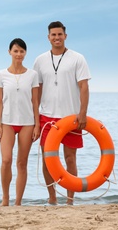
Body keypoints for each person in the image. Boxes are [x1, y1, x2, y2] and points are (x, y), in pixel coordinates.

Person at [33, 21, 91, 205]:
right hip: (48, 117)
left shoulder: (77, 58)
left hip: (71, 117)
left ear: (65, 36)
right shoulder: (40, 60)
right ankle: (52, 199)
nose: (57, 37)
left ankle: (69, 200)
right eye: (53, 35)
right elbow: (37, 91)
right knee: (48, 160)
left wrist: (82, 113)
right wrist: (35, 118)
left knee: (70, 158)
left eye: (60, 34)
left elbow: (84, 87)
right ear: (48, 37)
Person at [0, 38, 40, 206]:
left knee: (22, 163)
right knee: (6, 160)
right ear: (9, 52)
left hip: (27, 123)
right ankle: (5, 198)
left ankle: (18, 202)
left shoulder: (32, 75)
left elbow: (35, 102)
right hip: (7, 123)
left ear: (25, 53)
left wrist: (37, 125)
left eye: (21, 51)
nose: (19, 54)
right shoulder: (1, 75)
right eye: (16, 51)